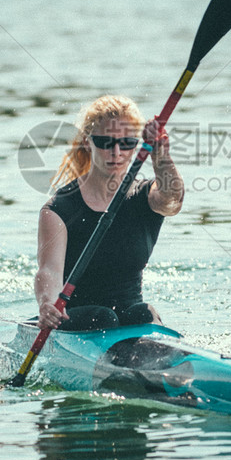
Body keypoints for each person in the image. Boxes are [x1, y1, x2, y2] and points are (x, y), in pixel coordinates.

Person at [35, 95, 184, 331]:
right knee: (104, 318)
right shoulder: (59, 210)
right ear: (87, 142)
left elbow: (172, 201)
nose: (116, 152)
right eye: (105, 142)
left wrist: (161, 156)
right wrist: (48, 304)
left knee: (144, 313)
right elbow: (49, 272)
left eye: (126, 143)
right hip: (75, 319)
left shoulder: (144, 197)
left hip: (133, 319)